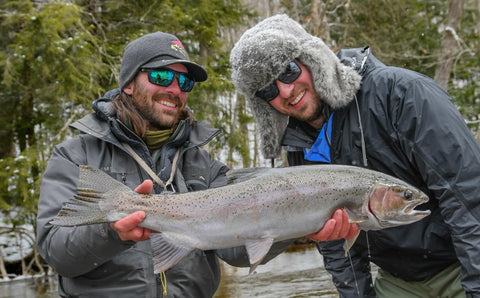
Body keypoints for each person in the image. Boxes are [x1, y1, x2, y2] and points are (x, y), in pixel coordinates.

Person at [36, 31, 357, 298]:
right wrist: (113, 233)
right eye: (161, 75)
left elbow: (234, 251)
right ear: (129, 84)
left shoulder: (203, 165)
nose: (174, 89)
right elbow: (56, 252)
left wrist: (299, 221)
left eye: (184, 82)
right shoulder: (76, 156)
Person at [229, 14, 480, 298]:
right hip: (399, 280)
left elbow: (470, 202)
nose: (286, 91)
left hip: (461, 264)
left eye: (288, 70)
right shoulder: (297, 143)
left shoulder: (402, 94)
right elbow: (337, 246)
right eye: (268, 89)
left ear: (311, 58)